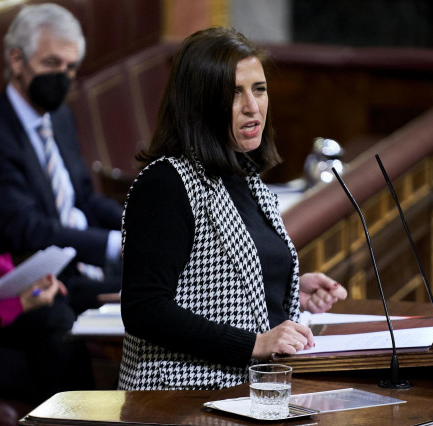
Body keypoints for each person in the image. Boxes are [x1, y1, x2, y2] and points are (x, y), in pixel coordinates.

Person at [118, 27, 347, 391]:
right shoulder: (165, 184)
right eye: (233, 93)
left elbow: (213, 279)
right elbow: (144, 310)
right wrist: (255, 344)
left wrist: (283, 286)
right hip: (179, 399)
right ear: (199, 102)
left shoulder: (243, 175)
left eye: (259, 89)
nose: (252, 107)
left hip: (244, 392)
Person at [0, 3, 123, 314]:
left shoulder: (59, 116)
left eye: (70, 68)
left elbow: (83, 195)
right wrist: (112, 246)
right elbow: (28, 229)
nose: (63, 77)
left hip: (91, 260)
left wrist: (132, 225)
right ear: (16, 60)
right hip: (52, 281)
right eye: (52, 63)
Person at [0, 227, 94, 404]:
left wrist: (31, 279)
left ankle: (88, 414)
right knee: (49, 362)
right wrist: (20, 303)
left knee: (58, 317)